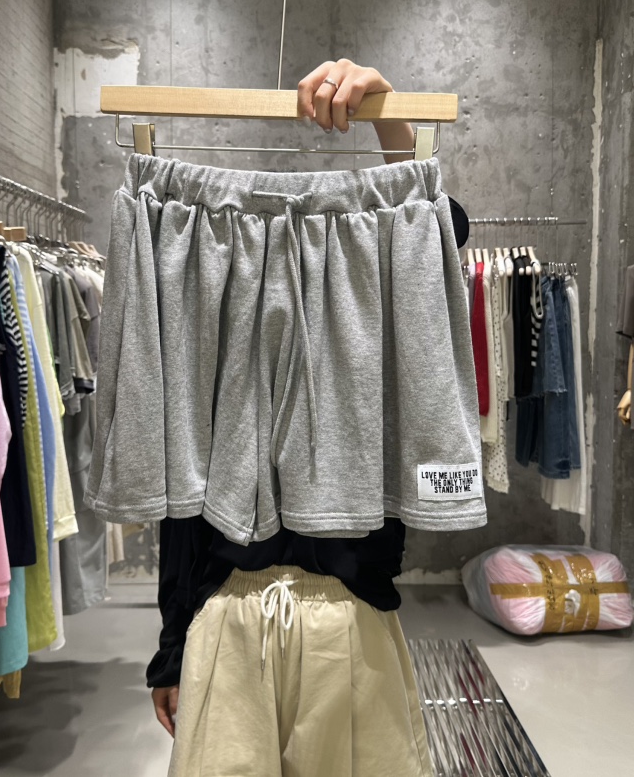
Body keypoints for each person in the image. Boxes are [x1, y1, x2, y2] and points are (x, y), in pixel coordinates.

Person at [149, 59, 447, 777]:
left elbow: (435, 233)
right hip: (228, 610)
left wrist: (390, 118)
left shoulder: (378, 265)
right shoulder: (207, 275)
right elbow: (181, 489)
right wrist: (172, 644)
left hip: (348, 611)